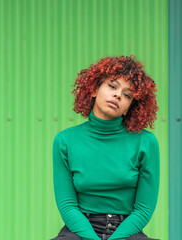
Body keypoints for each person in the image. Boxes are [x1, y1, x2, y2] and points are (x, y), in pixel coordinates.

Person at [51, 56, 160, 240]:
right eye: (112, 86)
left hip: (127, 230)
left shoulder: (146, 142)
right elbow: (67, 205)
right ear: (94, 89)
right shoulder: (65, 140)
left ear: (128, 108)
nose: (118, 95)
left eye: (127, 95)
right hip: (80, 229)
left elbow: (144, 209)